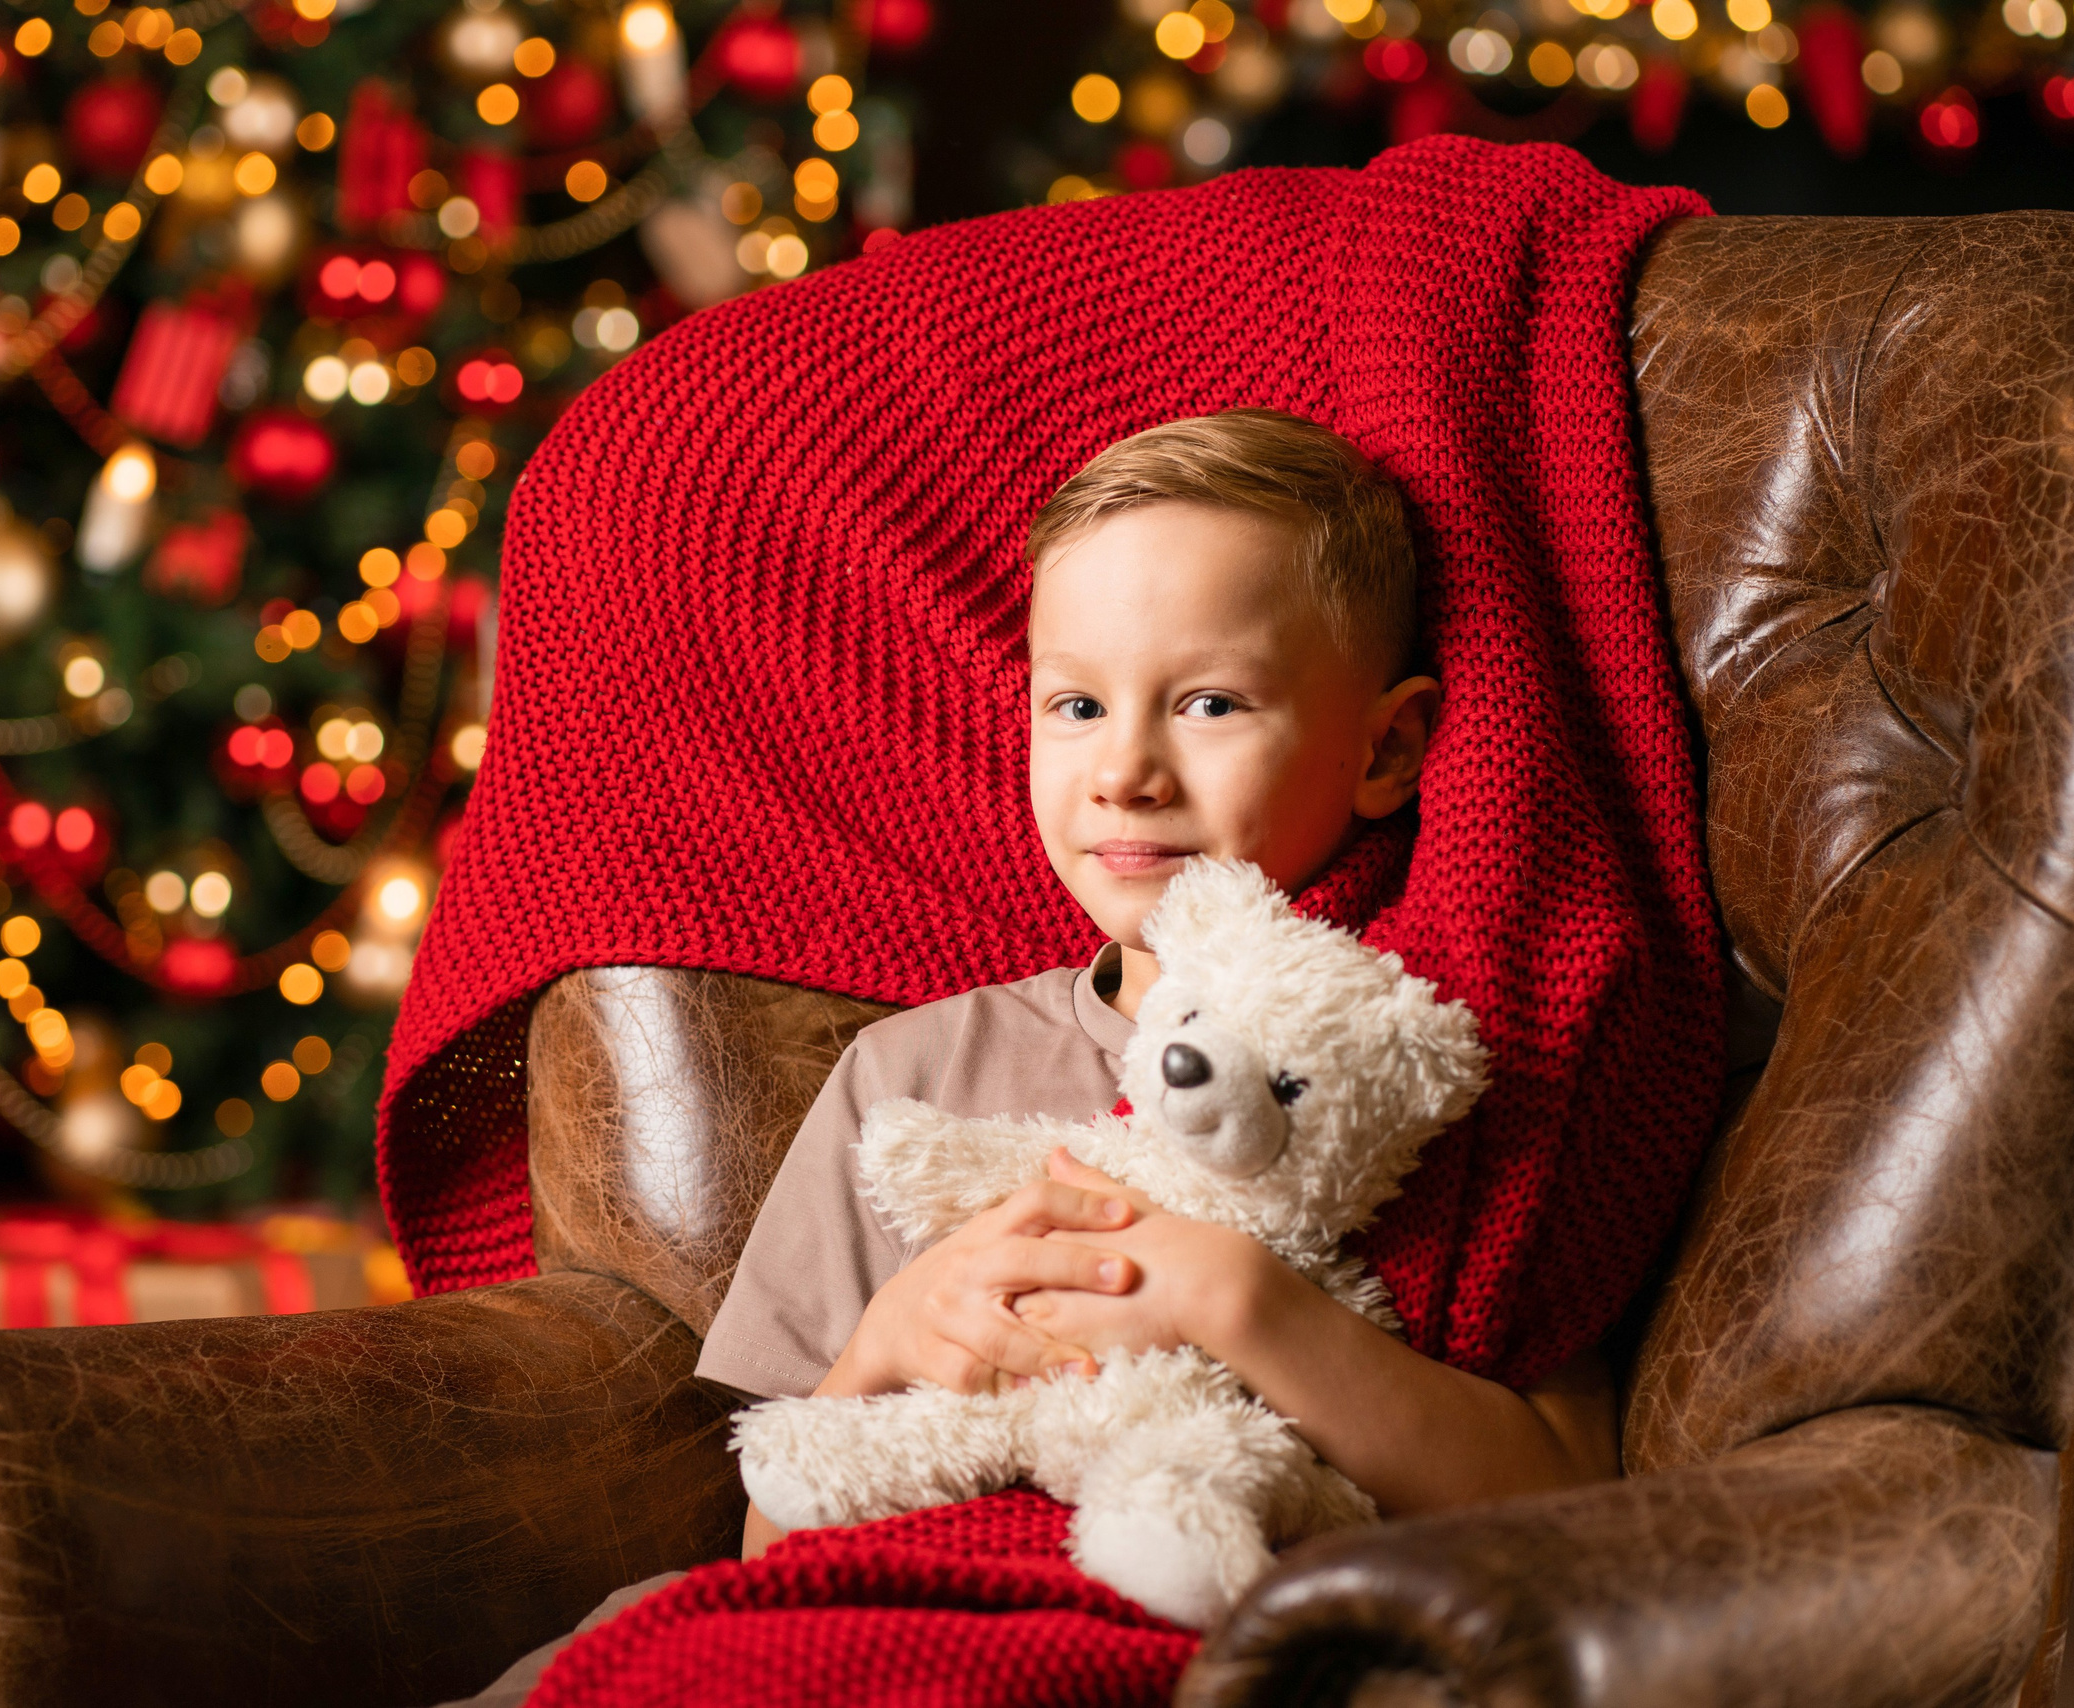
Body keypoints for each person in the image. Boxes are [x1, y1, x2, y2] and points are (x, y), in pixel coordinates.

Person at [448, 407, 1619, 1704]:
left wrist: (1238, 1302)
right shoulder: (911, 1075)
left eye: (1210, 703)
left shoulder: (1446, 1070)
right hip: (882, 1637)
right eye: (1076, 704)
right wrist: (886, 1343)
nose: (1124, 770)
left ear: (1386, 748)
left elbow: (1570, 1502)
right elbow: (772, 1547)